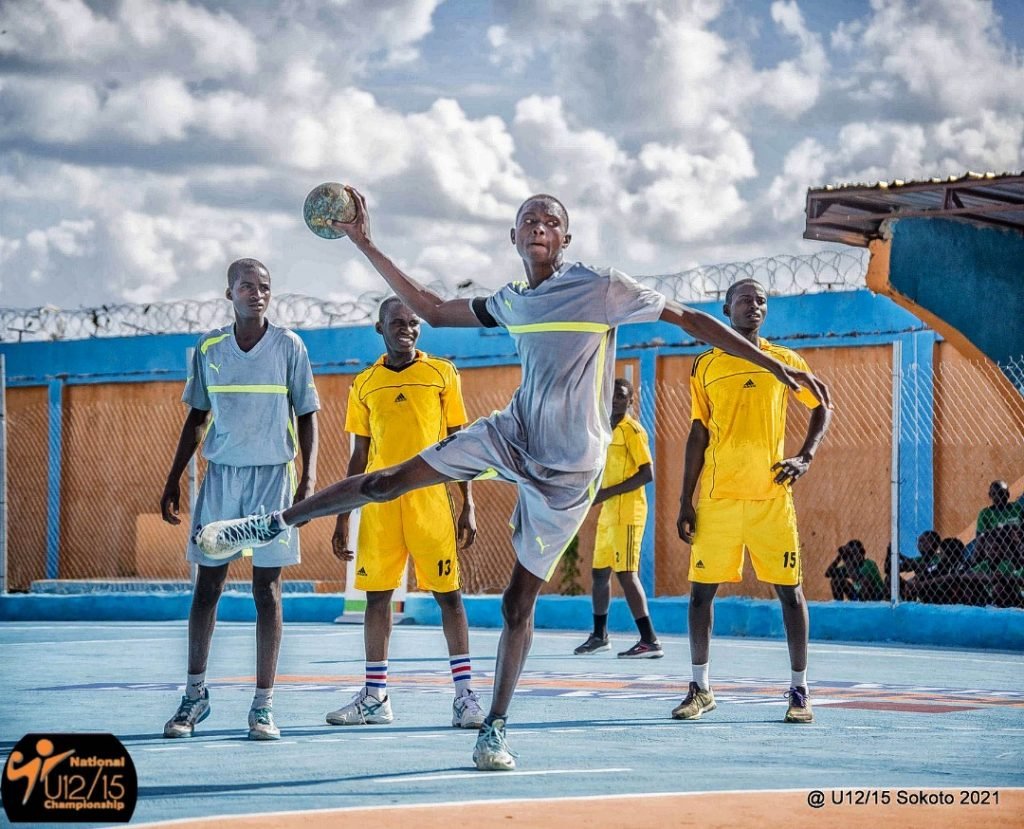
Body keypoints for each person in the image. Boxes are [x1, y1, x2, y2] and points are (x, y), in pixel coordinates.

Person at [194, 191, 830, 770]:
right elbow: (434, 310)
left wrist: (773, 366)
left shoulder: (603, 288)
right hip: (514, 432)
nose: (540, 225)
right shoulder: (513, 301)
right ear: (514, 236)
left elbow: (691, 319)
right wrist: (364, 240)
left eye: (552, 220)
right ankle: (271, 522)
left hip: (570, 469)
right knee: (389, 480)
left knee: (516, 604)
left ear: (567, 239)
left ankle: (493, 727)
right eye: (530, 218)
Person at [160, 258, 320, 741]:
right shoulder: (209, 348)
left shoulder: (290, 345)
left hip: (273, 479)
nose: (257, 293)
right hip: (223, 479)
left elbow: (308, 413)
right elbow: (196, 420)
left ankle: (263, 705)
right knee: (207, 588)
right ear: (229, 292)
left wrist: (308, 476)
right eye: (247, 286)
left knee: (265, 591)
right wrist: (172, 480)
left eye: (265, 286)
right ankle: (195, 695)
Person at [675, 278, 832, 724]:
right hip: (718, 499)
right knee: (701, 595)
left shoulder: (784, 361)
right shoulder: (705, 365)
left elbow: (822, 405)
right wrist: (685, 500)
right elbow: (698, 433)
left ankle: (800, 691)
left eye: (761, 300)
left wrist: (805, 456)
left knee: (790, 593)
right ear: (726, 310)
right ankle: (700, 688)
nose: (754, 306)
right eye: (744, 300)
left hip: (770, 500)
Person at [326, 296, 484, 729]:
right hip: (378, 504)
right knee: (377, 597)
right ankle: (375, 697)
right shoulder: (364, 383)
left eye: (413, 323)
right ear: (380, 328)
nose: (407, 329)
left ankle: (465, 696)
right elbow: (358, 455)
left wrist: (467, 503)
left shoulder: (442, 374)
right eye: (397, 322)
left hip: (430, 499)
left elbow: (460, 443)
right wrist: (343, 515)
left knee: (447, 595)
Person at [574, 377, 662, 658]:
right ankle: (600, 635)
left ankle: (650, 639)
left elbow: (647, 473)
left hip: (628, 511)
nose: (616, 399)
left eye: (622, 396)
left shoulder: (632, 431)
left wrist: (607, 491)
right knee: (600, 573)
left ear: (630, 401)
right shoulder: (602, 430)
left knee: (626, 573)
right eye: (612, 395)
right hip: (609, 511)